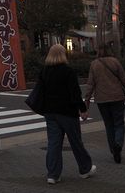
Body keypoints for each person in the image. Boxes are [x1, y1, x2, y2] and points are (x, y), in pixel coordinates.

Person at [41, 44, 96, 185]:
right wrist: (82, 109)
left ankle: (53, 175)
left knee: (53, 143)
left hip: (50, 112)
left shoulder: (45, 71)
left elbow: (41, 92)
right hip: (67, 112)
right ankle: (85, 169)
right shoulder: (67, 71)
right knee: (76, 141)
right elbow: (75, 93)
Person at [84, 44, 125, 163]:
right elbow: (124, 80)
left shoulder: (94, 64)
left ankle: (113, 150)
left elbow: (90, 84)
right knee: (119, 123)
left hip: (102, 99)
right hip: (117, 97)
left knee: (108, 125)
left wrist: (87, 100)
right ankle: (118, 144)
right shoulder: (115, 62)